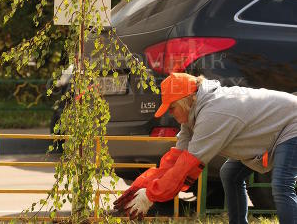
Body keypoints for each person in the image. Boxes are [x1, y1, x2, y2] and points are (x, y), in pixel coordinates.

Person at [113, 73, 297, 224]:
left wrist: (151, 195)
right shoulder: (192, 115)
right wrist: (142, 186)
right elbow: (175, 160)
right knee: (230, 173)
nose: (170, 113)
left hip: (291, 123)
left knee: (282, 185)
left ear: (185, 100)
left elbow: (186, 166)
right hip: (273, 128)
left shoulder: (213, 113)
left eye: (172, 107)